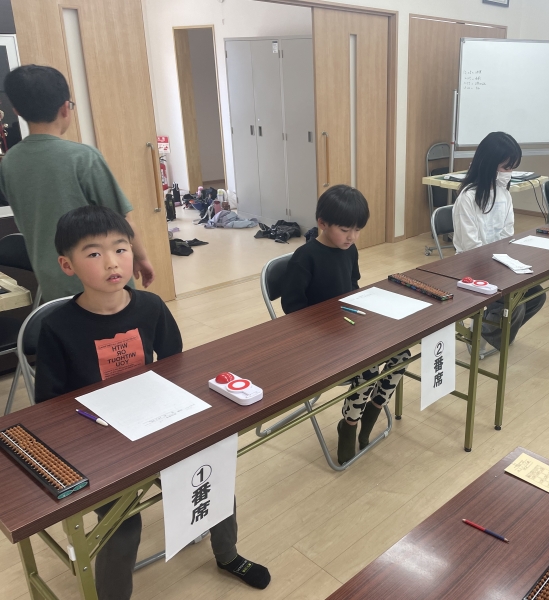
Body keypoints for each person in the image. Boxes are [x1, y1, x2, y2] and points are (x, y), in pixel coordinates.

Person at [35, 206, 269, 599]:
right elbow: (48, 407)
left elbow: (177, 365)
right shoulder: (57, 327)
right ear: (67, 265)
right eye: (94, 253)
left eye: (120, 249)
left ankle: (227, 555)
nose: (112, 262)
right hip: (98, 441)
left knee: (213, 476)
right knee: (123, 526)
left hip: (155, 424)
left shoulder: (150, 307)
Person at [0, 65, 155, 302]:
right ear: (65, 107)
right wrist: (141, 258)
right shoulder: (82, 157)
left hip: (51, 283)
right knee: (117, 325)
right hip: (101, 280)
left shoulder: (9, 162)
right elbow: (122, 220)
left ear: (17, 111)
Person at [281, 185, 410, 465]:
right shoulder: (305, 257)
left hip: (349, 330)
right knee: (368, 369)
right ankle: (349, 425)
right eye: (344, 229)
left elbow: (353, 286)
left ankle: (373, 411)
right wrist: (325, 323)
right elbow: (292, 309)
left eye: (358, 230)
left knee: (402, 355)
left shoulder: (350, 251)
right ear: (322, 223)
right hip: (318, 341)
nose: (352, 237)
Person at [452, 131, 546, 355]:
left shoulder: (504, 194)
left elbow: (507, 236)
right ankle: (484, 335)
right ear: (489, 165)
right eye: (506, 167)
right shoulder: (467, 198)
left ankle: (492, 333)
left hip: (498, 262)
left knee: (536, 296)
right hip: (471, 266)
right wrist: (500, 269)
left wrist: (507, 265)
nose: (509, 173)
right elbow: (471, 248)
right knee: (514, 304)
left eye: (512, 167)